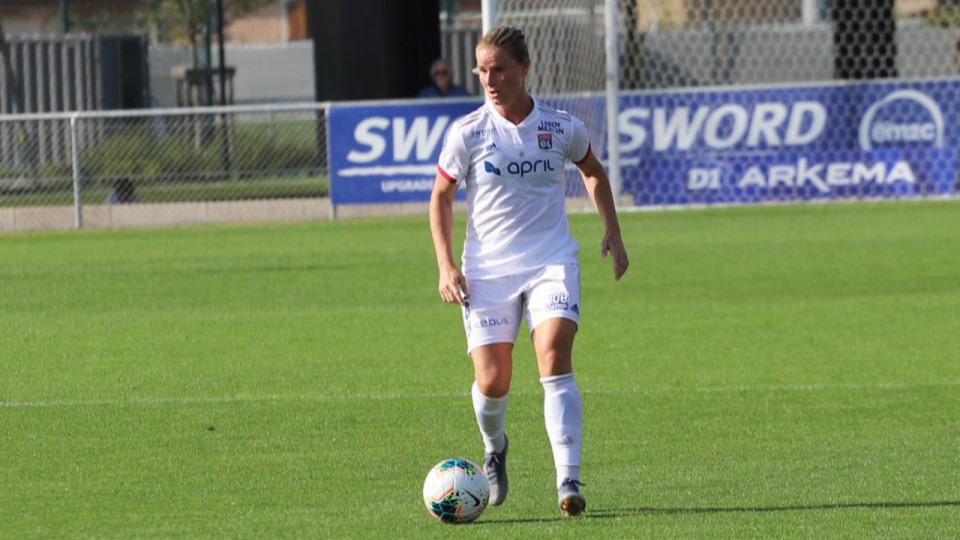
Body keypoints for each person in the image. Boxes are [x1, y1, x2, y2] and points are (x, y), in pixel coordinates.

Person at [428, 26, 629, 517]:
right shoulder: (468, 133)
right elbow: (440, 196)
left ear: (524, 67)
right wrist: (446, 265)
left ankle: (569, 480)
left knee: (554, 354)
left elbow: (594, 171)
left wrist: (613, 231)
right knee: (494, 382)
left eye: (499, 68)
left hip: (550, 261)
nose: (489, 79)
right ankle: (494, 447)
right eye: (482, 70)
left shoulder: (561, 127)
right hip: (488, 270)